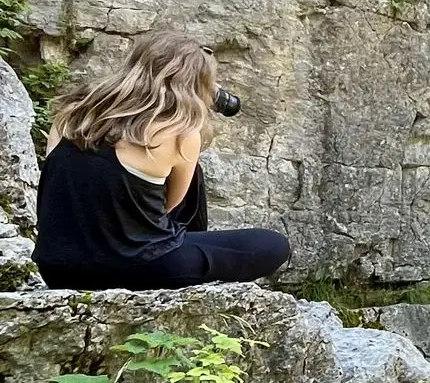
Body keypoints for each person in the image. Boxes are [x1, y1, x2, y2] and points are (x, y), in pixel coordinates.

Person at [33, 30, 291, 290]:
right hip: (135, 267)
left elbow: (64, 187)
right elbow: (171, 204)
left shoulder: (71, 114)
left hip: (57, 269)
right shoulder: (181, 133)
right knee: (272, 245)